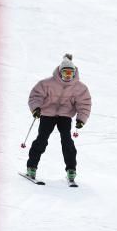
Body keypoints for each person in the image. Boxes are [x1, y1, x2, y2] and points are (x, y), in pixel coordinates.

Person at [25, 54, 92, 183]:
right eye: (65, 73)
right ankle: (31, 167)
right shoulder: (47, 83)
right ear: (60, 72)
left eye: (70, 73)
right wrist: (36, 108)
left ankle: (71, 170)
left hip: (65, 116)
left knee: (67, 141)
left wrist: (81, 119)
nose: (68, 76)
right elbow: (36, 95)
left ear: (74, 73)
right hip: (47, 115)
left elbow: (84, 103)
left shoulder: (80, 88)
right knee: (42, 139)